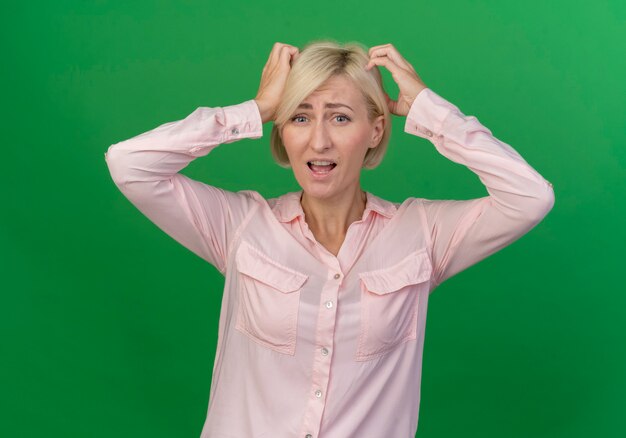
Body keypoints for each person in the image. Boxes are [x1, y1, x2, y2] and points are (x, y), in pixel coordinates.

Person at [104, 40, 555, 438]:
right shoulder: (240, 226)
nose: (319, 141)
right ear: (283, 130)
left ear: (375, 130)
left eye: (340, 117)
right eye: (300, 116)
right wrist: (256, 109)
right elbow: (129, 165)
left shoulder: (422, 235)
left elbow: (530, 197)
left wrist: (429, 110)